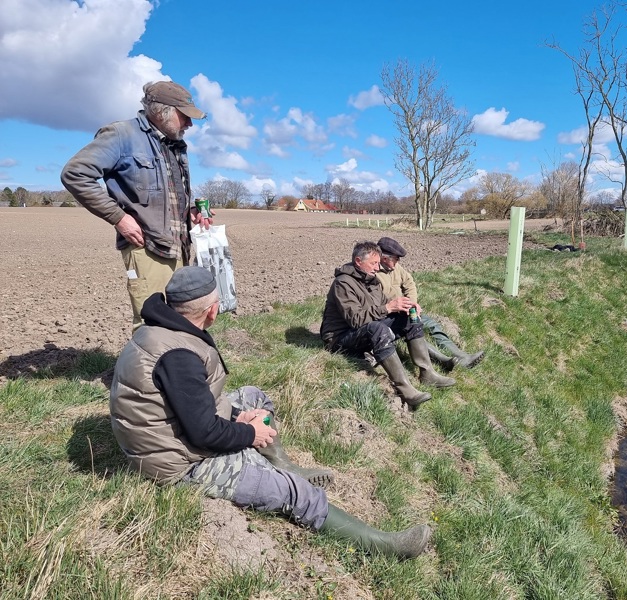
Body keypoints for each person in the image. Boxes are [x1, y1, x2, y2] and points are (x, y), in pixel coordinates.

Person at [109, 266, 431, 559]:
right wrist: (250, 433)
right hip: (178, 465)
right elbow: (204, 433)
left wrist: (236, 416)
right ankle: (383, 545)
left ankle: (283, 464)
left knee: (253, 397)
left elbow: (189, 404)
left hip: (169, 435)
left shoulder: (160, 328)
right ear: (212, 310)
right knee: (295, 494)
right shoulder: (179, 355)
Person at [61, 80, 213, 329]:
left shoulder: (173, 144)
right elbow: (75, 174)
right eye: (184, 116)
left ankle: (177, 369)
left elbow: (165, 195)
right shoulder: (121, 135)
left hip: (180, 249)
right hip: (148, 247)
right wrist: (118, 217)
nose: (190, 123)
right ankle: (146, 369)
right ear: (161, 111)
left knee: (180, 322)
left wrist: (191, 212)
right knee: (152, 325)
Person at [320, 241, 455, 409]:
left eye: (378, 262)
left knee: (408, 318)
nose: (377, 267)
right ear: (358, 261)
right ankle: (404, 388)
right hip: (339, 337)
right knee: (378, 329)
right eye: (373, 263)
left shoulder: (371, 280)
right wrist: (388, 307)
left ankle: (427, 373)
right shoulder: (343, 283)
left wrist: (404, 306)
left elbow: (383, 305)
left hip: (364, 328)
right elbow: (355, 320)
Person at [375, 237, 484, 370]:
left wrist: (413, 303)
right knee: (414, 332)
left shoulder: (396, 267)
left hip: (406, 310)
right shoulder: (372, 273)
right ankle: (443, 361)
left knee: (432, 325)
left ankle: (461, 355)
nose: (398, 261)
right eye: (396, 258)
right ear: (385, 258)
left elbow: (409, 283)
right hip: (389, 316)